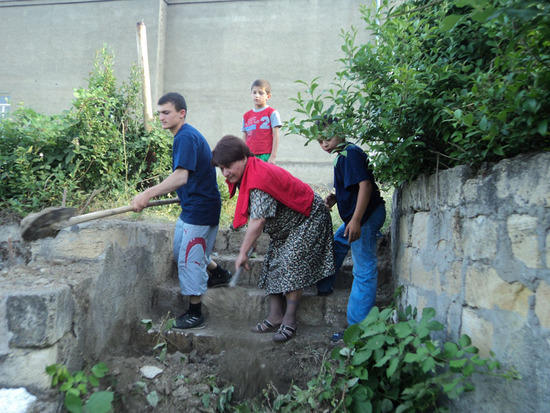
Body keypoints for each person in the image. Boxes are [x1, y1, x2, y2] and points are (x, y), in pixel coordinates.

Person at [211, 135, 335, 342]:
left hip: (308, 218)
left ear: (243, 158)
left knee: (290, 262)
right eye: (221, 168)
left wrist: (243, 252)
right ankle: (275, 315)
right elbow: (257, 215)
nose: (225, 173)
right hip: (284, 228)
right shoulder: (248, 172)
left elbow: (258, 220)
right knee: (272, 264)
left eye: (228, 166)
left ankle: (289, 319)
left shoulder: (259, 178)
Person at [132, 92, 231, 330]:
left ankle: (195, 313)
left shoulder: (185, 137)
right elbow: (190, 177)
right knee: (181, 251)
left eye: (166, 112)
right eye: (160, 113)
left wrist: (147, 193)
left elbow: (180, 177)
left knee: (188, 259)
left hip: (200, 210)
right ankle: (219, 274)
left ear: (181, 113)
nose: (162, 118)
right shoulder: (185, 136)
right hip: (193, 207)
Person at [315, 116, 386, 341]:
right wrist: (337, 197)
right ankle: (324, 285)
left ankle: (357, 330)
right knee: (338, 241)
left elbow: (365, 185)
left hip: (365, 216)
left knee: (363, 270)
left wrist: (355, 220)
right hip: (360, 215)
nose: (324, 144)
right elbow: (355, 186)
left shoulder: (351, 154)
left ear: (341, 132)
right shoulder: (342, 156)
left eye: (327, 137)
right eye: (319, 141)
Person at [241, 79, 281, 164]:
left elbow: (276, 135)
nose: (257, 96)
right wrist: (243, 156)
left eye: (261, 93)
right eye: (254, 92)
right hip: (250, 156)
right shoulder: (246, 116)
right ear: (250, 94)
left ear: (268, 96)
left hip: (265, 155)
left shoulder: (272, 113)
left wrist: (273, 156)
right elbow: (244, 137)